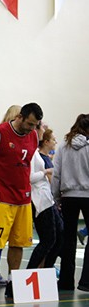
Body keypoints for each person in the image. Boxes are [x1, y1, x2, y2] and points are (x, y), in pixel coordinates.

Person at [0, 103, 43, 302]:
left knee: (18, 242)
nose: (32, 128)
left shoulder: (33, 135)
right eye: (30, 124)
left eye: (35, 125)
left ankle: (12, 282)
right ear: (20, 117)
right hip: (0, 196)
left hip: (23, 198)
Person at [53, 114, 89, 291]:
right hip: (88, 195)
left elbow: (56, 174)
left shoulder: (63, 146)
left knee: (68, 240)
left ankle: (66, 282)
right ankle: (86, 281)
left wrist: (56, 198)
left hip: (68, 196)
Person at [27, 124, 63, 269]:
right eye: (41, 127)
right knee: (48, 239)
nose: (43, 129)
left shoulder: (36, 151)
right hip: (40, 200)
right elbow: (30, 178)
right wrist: (46, 172)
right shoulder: (32, 152)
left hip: (47, 199)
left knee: (58, 236)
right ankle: (32, 271)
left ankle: (46, 269)